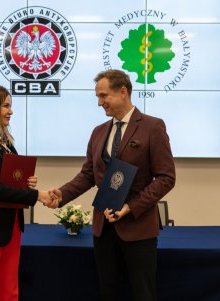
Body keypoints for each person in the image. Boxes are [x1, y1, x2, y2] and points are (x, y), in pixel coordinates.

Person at [49, 70, 176, 301]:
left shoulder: (153, 127)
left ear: (123, 92)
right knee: (108, 292)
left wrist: (130, 207)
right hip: (103, 228)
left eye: (103, 96)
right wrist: (62, 193)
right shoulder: (98, 132)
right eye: (98, 97)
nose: (99, 103)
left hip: (138, 227)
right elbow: (88, 174)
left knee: (143, 294)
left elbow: (166, 178)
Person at [0, 84, 56, 301]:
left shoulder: (5, 142)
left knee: (9, 291)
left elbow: (8, 179)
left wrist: (26, 183)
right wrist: (36, 195)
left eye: (10, 106)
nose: (11, 111)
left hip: (11, 226)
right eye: (6, 106)